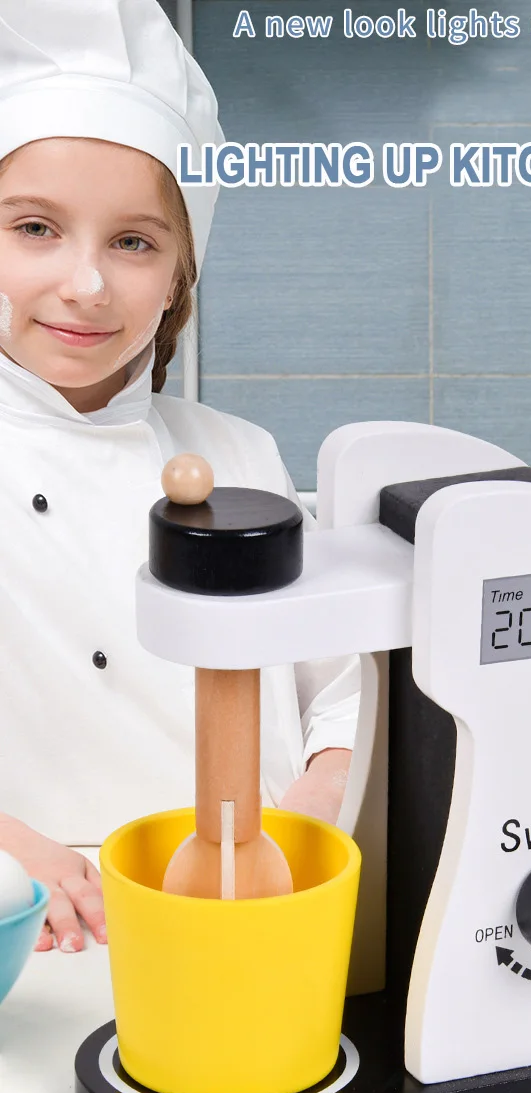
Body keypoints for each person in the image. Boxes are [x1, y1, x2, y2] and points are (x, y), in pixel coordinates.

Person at [0, 0, 359, 952]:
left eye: (134, 242)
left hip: (259, 916)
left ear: (177, 279)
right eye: (35, 228)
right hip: (47, 936)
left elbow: (344, 685)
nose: (86, 285)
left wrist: (322, 795)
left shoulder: (239, 455)